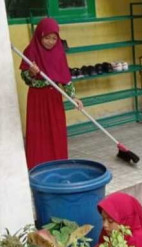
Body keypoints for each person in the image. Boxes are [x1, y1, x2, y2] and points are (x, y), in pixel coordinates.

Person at [20, 17, 83, 170]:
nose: (50, 41)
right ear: (39, 35)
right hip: (37, 98)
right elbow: (25, 79)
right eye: (47, 37)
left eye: (54, 38)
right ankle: (37, 168)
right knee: (38, 133)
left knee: (56, 132)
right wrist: (31, 72)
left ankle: (59, 165)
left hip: (54, 98)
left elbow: (66, 79)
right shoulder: (30, 51)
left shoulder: (59, 53)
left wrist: (73, 97)